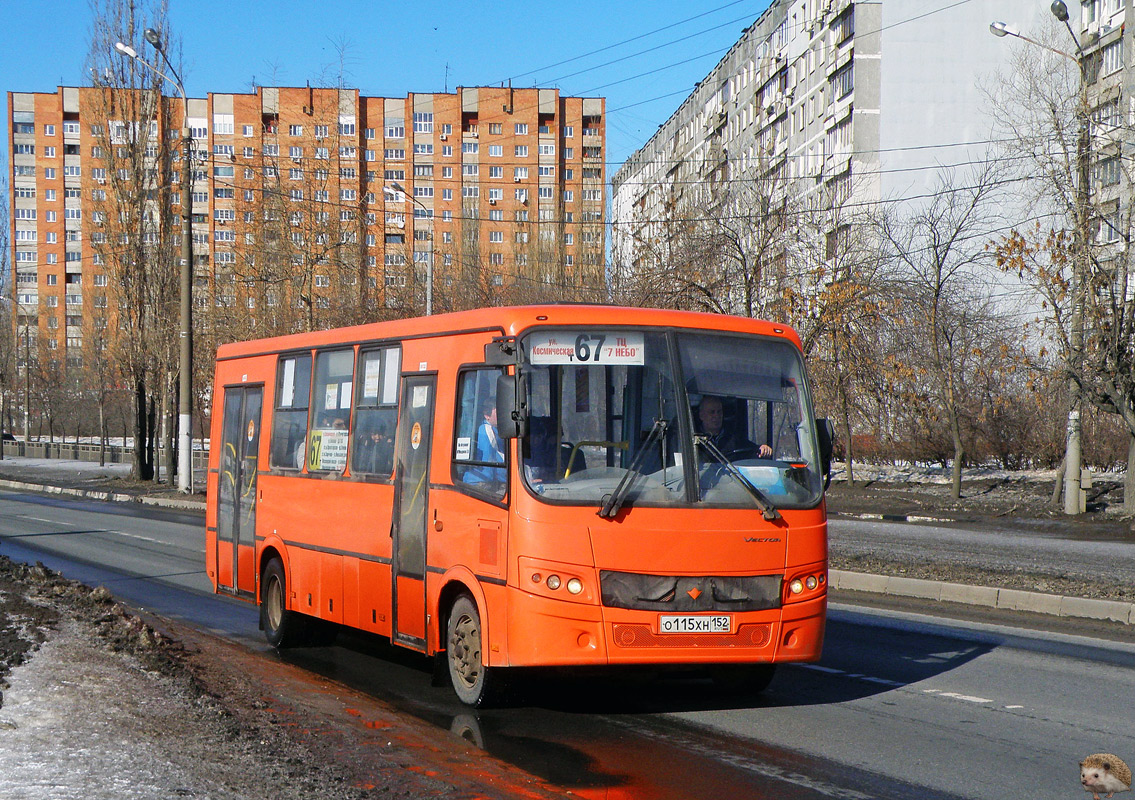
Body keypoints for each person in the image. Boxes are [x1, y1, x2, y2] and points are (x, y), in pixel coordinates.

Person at [697, 395, 772, 458]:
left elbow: (750, 448)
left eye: (719, 412)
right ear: (701, 415)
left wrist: (761, 448)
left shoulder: (733, 438)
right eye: (712, 412)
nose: (717, 416)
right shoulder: (693, 440)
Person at [466, 400, 506, 484]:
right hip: (479, 482)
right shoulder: (486, 429)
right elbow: (495, 461)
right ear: (487, 415)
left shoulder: (496, 430)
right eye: (497, 413)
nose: (501, 416)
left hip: (489, 480)